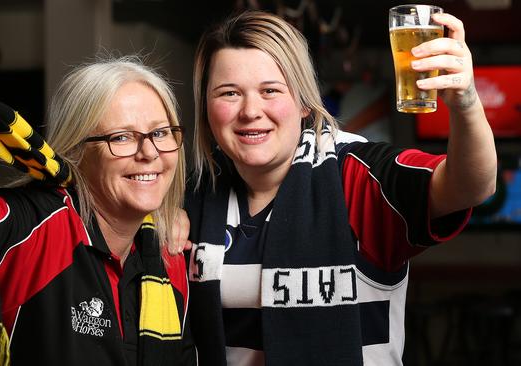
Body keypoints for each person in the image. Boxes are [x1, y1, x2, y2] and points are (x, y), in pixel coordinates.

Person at [181, 10, 496, 366]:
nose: (250, 110)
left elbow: (471, 186)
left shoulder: (355, 175)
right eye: (229, 93)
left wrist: (466, 103)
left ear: (303, 103)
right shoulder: (193, 196)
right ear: (206, 109)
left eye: (270, 90)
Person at [0, 57, 196, 365]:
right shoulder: (30, 224)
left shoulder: (169, 259)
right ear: (75, 151)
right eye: (121, 137)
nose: (149, 153)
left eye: (161, 133)